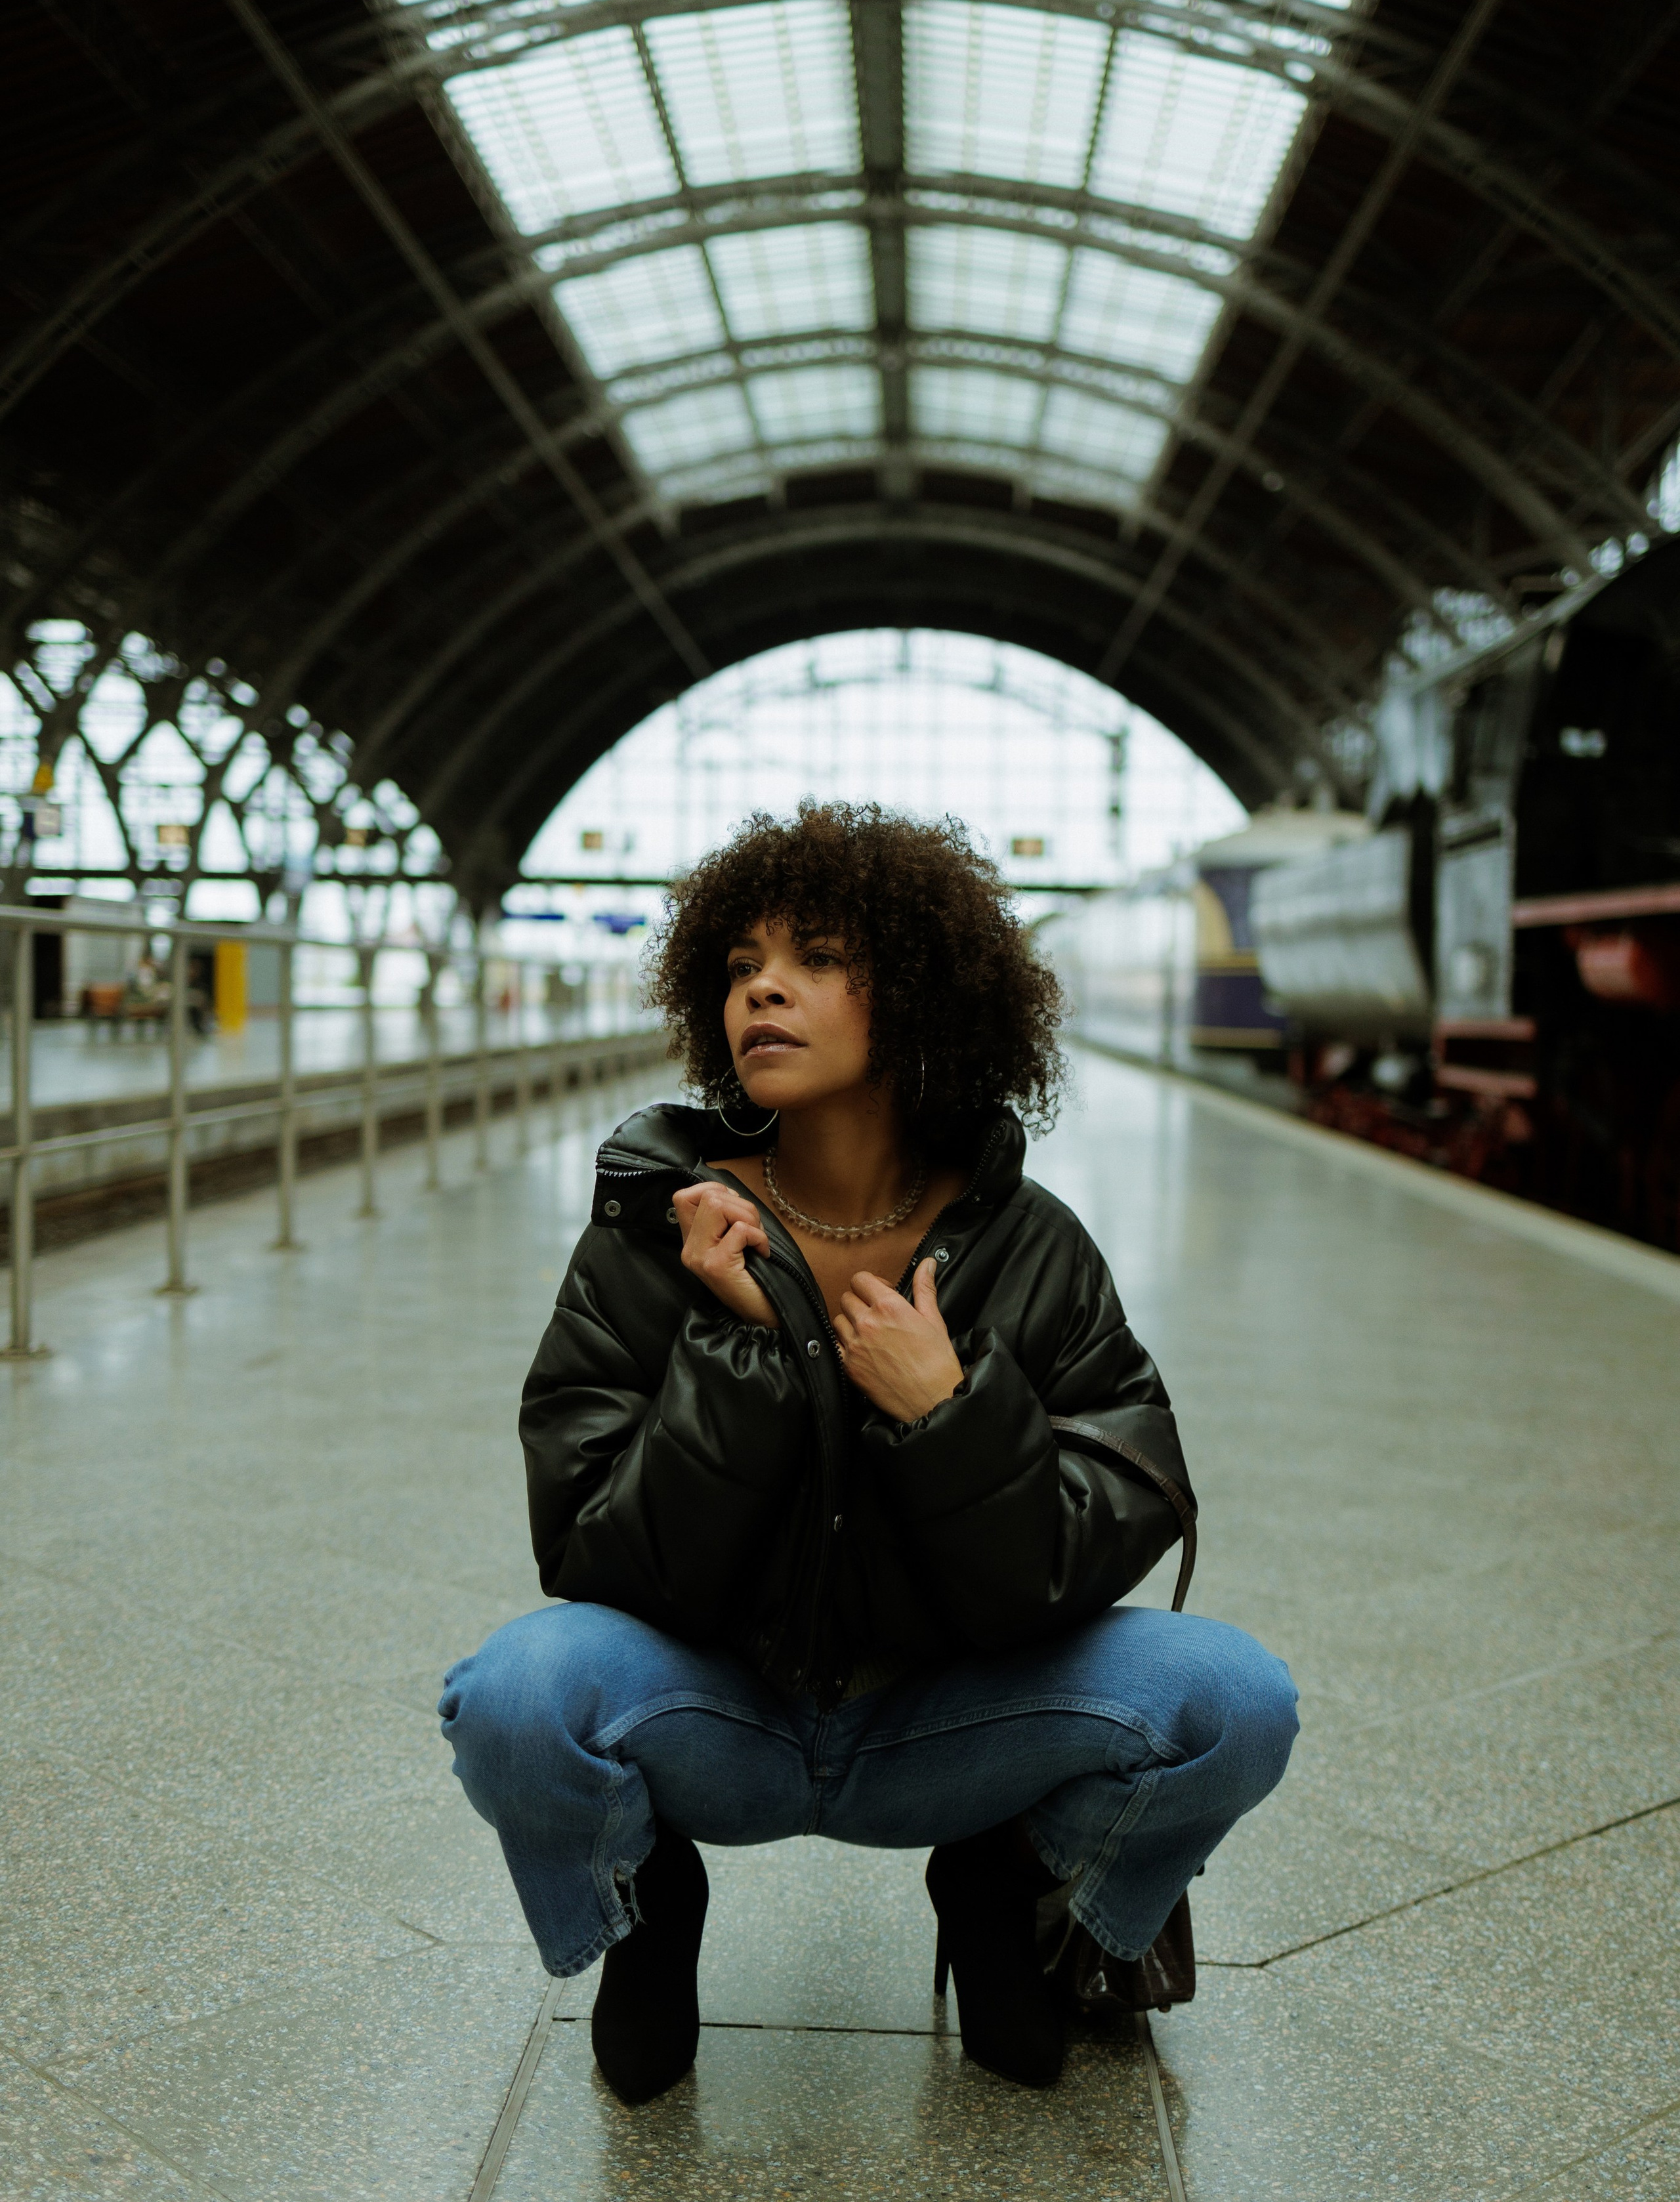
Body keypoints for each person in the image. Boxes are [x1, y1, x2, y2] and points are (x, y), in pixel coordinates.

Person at [441, 803, 1296, 2103]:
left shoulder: (1031, 1246)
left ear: (919, 998)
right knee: (511, 1699)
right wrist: (740, 1360)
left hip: (950, 1719)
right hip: (717, 1710)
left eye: (817, 957)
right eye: (738, 965)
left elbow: (1089, 1541)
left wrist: (948, 1412)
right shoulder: (655, 1234)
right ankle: (646, 1907)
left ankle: (1006, 1888)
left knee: (1233, 1701)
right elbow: (592, 1547)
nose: (762, 987)